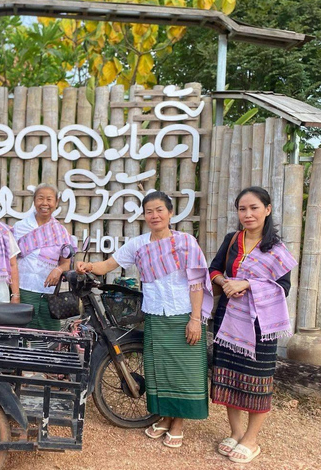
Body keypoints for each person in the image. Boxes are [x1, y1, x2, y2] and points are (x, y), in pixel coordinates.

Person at [76, 191, 210, 449]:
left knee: (182, 372)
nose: (154, 215)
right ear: (144, 215)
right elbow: (108, 265)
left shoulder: (186, 242)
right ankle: (165, 417)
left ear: (170, 213)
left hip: (183, 314)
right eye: (149, 211)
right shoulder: (138, 245)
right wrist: (88, 266)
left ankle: (178, 422)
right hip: (155, 314)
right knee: (160, 370)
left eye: (159, 210)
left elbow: (196, 283)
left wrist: (195, 319)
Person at [205, 186, 296, 464]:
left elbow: (283, 288)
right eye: (242, 209)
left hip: (261, 324)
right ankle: (235, 432)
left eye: (254, 208)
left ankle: (251, 439)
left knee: (258, 380)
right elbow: (214, 269)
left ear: (267, 209)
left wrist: (246, 283)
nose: (248, 214)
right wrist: (225, 282)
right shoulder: (233, 240)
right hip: (228, 318)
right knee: (228, 376)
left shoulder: (276, 250)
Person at [12, 183, 75, 330]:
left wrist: (58, 270)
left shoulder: (61, 231)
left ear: (56, 202)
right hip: (23, 290)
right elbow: (10, 260)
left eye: (49, 199)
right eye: (40, 198)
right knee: (22, 333)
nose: (44, 203)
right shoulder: (20, 227)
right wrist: (14, 294)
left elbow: (66, 262)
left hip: (49, 294)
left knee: (50, 336)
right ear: (34, 201)